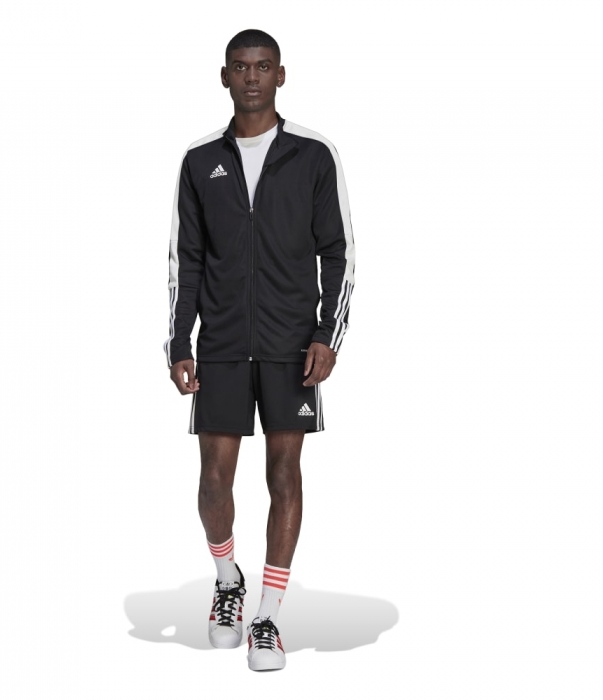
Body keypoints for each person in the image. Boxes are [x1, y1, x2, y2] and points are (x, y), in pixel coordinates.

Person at [163, 29, 355, 671]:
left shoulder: (313, 155)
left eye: (263, 66)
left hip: (290, 344)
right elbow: (186, 259)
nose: (252, 77)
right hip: (220, 343)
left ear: (280, 75)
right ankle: (227, 581)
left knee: (283, 473)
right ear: (224, 76)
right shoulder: (199, 161)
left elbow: (339, 252)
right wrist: (179, 341)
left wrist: (327, 335)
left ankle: (268, 616)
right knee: (213, 479)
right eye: (241, 67)